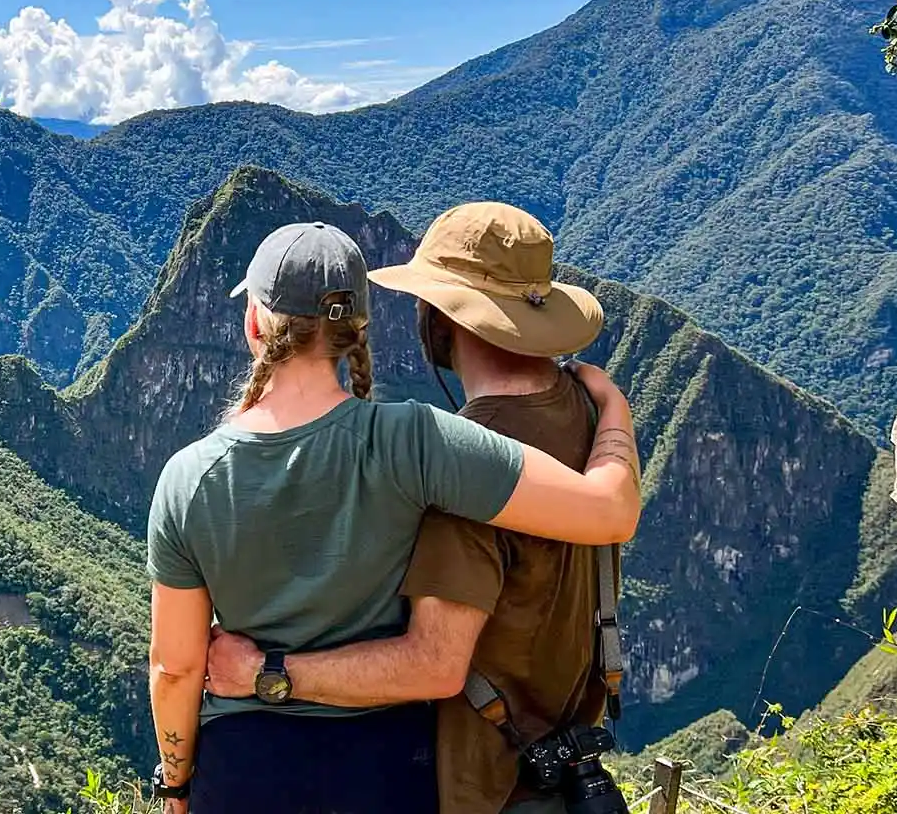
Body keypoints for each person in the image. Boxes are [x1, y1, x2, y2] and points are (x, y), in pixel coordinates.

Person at [147, 220, 643, 814]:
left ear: (255, 323)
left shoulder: (188, 477)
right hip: (384, 766)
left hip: (242, 768)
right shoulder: (418, 441)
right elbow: (609, 511)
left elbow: (175, 668)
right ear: (357, 332)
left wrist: (176, 785)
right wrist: (611, 405)